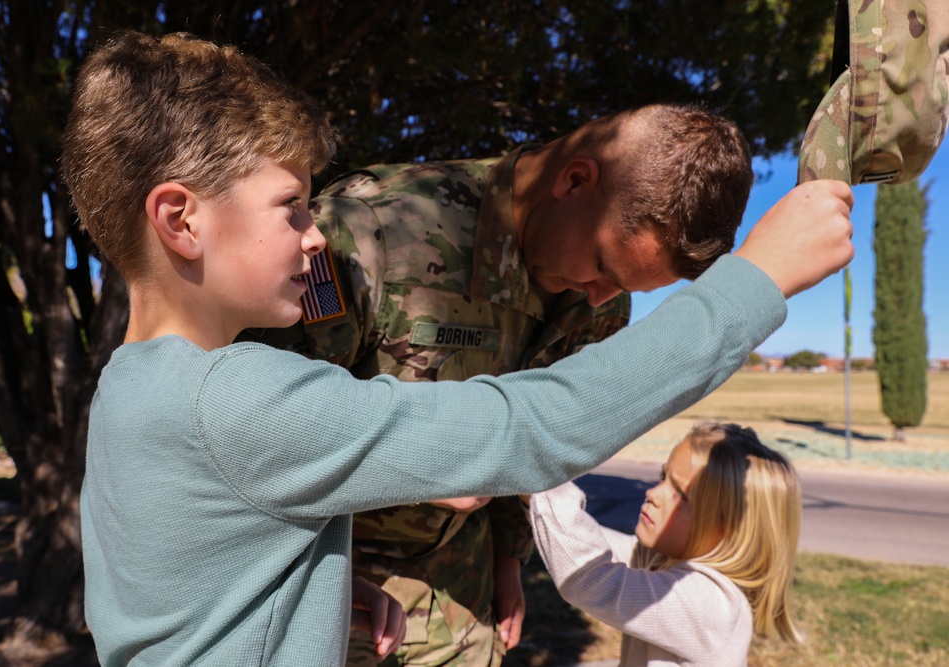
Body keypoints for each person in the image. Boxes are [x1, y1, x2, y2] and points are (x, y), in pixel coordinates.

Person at [62, 30, 853, 667]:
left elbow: (185, 586)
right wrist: (755, 283)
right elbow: (525, 425)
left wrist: (319, 589)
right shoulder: (241, 396)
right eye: (294, 208)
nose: (315, 237)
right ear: (180, 218)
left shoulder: (130, 388)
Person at [248, 102, 755, 667]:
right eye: (603, 267)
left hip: (464, 600)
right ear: (575, 181)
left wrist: (508, 556)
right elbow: (257, 423)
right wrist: (408, 460)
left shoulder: (596, 302)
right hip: (336, 591)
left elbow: (545, 447)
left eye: (625, 287)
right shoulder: (371, 233)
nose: (600, 299)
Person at [528, 421, 803, 666]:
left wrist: (536, 471)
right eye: (663, 477)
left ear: (729, 530)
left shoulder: (713, 603)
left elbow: (588, 577)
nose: (653, 493)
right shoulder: (661, 560)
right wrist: (528, 494)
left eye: (680, 494)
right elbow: (594, 545)